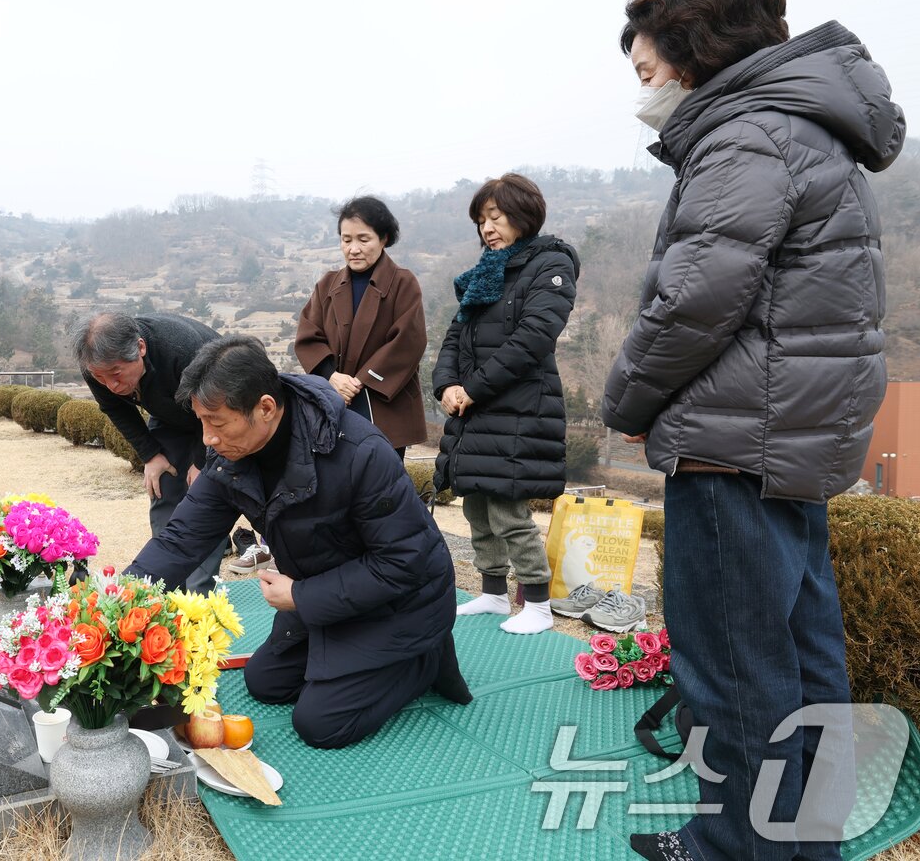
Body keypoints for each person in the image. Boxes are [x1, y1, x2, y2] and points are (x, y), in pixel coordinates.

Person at [601, 0, 905, 861]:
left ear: (693, 52)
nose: (645, 93)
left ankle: (739, 848)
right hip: (792, 437)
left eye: (650, 72)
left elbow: (694, 299)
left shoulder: (744, 136)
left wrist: (625, 399)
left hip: (735, 440)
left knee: (733, 665)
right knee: (803, 652)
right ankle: (803, 840)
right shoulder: (810, 127)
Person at [126, 336, 473, 748]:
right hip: (327, 591)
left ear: (266, 408)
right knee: (264, 682)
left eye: (217, 423)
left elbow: (403, 563)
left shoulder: (360, 453)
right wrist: (118, 600)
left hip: (403, 603)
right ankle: (345, 656)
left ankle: (424, 660)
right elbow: (181, 538)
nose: (207, 439)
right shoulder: (231, 458)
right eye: (202, 422)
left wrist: (303, 596)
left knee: (320, 724)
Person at [431, 173, 581, 636]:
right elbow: (456, 337)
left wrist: (473, 388)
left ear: (523, 215)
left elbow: (533, 338)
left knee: (509, 511)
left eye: (495, 218)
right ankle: (494, 593)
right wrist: (447, 386)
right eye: (481, 221)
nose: (487, 229)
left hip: (519, 408)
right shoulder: (487, 270)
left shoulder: (550, 263)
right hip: (476, 410)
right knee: (476, 504)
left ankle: (536, 602)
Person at [75, 312, 226, 594]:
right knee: (164, 485)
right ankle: (165, 590)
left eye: (117, 374)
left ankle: (201, 597)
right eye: (101, 378)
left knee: (207, 495)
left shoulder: (183, 349)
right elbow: (116, 408)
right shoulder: (96, 366)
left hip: (218, 411)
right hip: (170, 412)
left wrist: (201, 461)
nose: (112, 386)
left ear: (141, 348)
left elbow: (214, 411)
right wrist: (150, 454)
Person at [295, 196, 428, 460]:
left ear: (384, 239)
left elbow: (407, 342)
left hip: (383, 406)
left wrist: (359, 382)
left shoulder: (403, 282)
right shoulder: (328, 284)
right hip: (335, 401)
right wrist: (332, 376)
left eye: (363, 239)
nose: (353, 248)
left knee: (381, 488)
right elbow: (308, 335)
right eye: (346, 240)